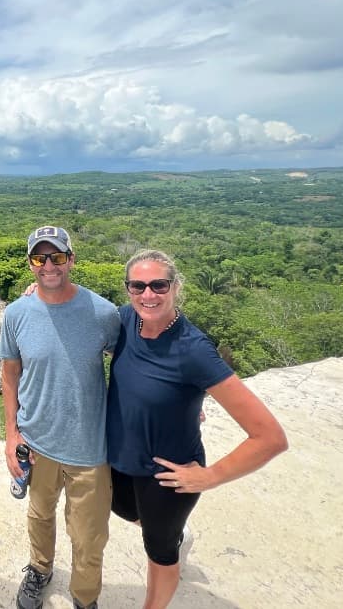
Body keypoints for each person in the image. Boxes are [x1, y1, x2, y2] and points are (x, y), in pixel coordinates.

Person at [108, 249, 288, 609]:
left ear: (176, 287)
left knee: (159, 552)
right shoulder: (127, 320)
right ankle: (178, 534)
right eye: (138, 286)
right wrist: (39, 294)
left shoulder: (194, 350)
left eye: (159, 285)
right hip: (119, 459)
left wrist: (212, 476)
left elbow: (270, 437)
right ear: (127, 290)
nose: (148, 295)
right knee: (128, 514)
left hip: (167, 474)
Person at [0, 225, 120, 609]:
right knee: (39, 516)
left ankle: (85, 598)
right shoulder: (17, 313)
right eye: (39, 258)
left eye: (57, 257)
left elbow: (134, 363)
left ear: (71, 260)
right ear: (31, 264)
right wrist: (11, 433)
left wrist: (178, 397)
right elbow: (10, 372)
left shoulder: (103, 313)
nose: (48, 266)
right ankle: (40, 568)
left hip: (88, 444)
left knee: (88, 536)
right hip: (37, 442)